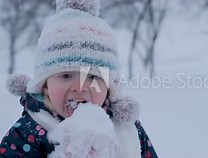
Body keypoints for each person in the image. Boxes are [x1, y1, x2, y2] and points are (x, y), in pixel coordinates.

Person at [0, 0, 157, 157]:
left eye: (93, 76)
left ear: (108, 86)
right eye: (66, 75)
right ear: (45, 85)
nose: (80, 87)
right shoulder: (26, 135)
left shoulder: (126, 129)